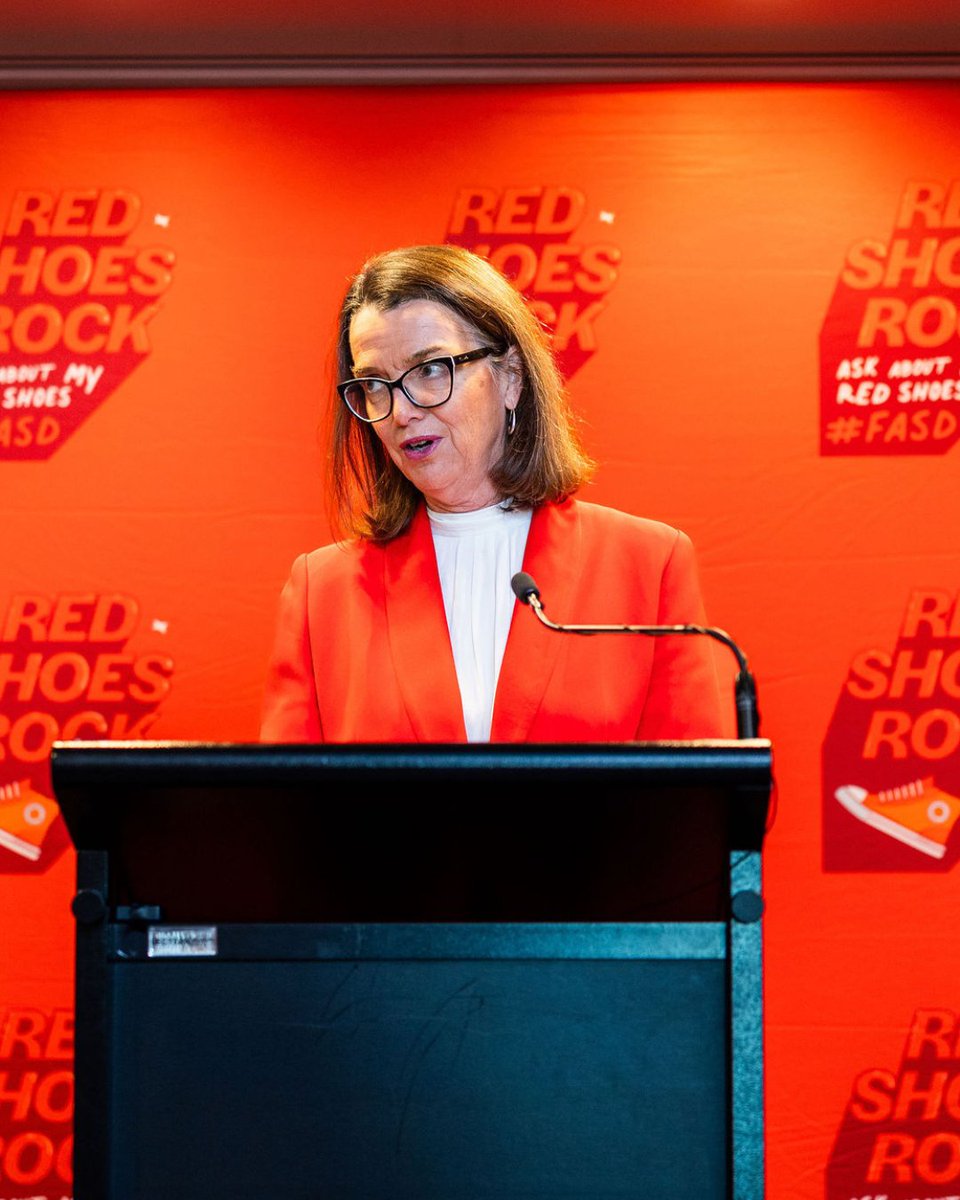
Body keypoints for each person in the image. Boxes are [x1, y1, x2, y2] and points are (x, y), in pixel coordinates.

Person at [260, 243, 730, 745]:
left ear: (510, 378)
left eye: (430, 369)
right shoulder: (322, 592)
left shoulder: (647, 564)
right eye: (375, 384)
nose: (401, 412)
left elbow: (692, 787)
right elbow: (286, 791)